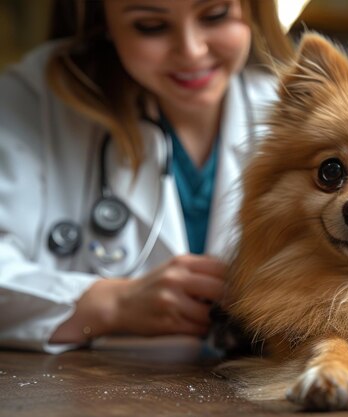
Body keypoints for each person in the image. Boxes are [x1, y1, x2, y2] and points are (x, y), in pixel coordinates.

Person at [0, 0, 293, 353]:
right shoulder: (32, 100)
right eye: (150, 25)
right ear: (104, 20)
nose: (192, 50)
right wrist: (112, 305)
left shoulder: (300, 113)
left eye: (215, 16)